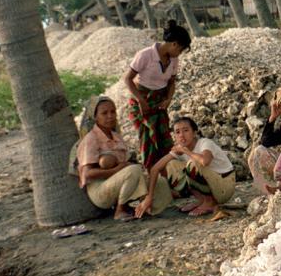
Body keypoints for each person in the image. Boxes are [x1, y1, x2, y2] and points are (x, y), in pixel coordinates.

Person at [76, 96, 167, 221]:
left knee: (160, 182)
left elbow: (126, 165)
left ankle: (143, 209)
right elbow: (87, 175)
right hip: (100, 191)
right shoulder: (91, 139)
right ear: (95, 117)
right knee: (133, 170)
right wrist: (117, 169)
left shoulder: (116, 136)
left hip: (120, 183)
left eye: (113, 112)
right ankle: (120, 210)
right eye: (104, 113)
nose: (110, 116)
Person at [135, 117, 236, 218]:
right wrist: (149, 197)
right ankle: (201, 201)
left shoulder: (204, 143)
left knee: (193, 163)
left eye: (186, 130)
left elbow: (205, 161)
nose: (181, 135)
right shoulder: (179, 149)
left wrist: (185, 151)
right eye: (177, 132)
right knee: (171, 165)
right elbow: (155, 169)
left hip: (224, 185)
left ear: (194, 132)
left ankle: (209, 203)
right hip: (212, 185)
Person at [124, 20, 191, 170]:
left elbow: (171, 83)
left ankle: (165, 173)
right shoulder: (145, 55)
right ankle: (150, 171)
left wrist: (168, 99)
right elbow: (127, 79)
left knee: (163, 139)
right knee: (147, 139)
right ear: (174, 44)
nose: (179, 54)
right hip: (142, 102)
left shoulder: (173, 60)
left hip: (159, 103)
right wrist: (141, 101)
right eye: (180, 50)